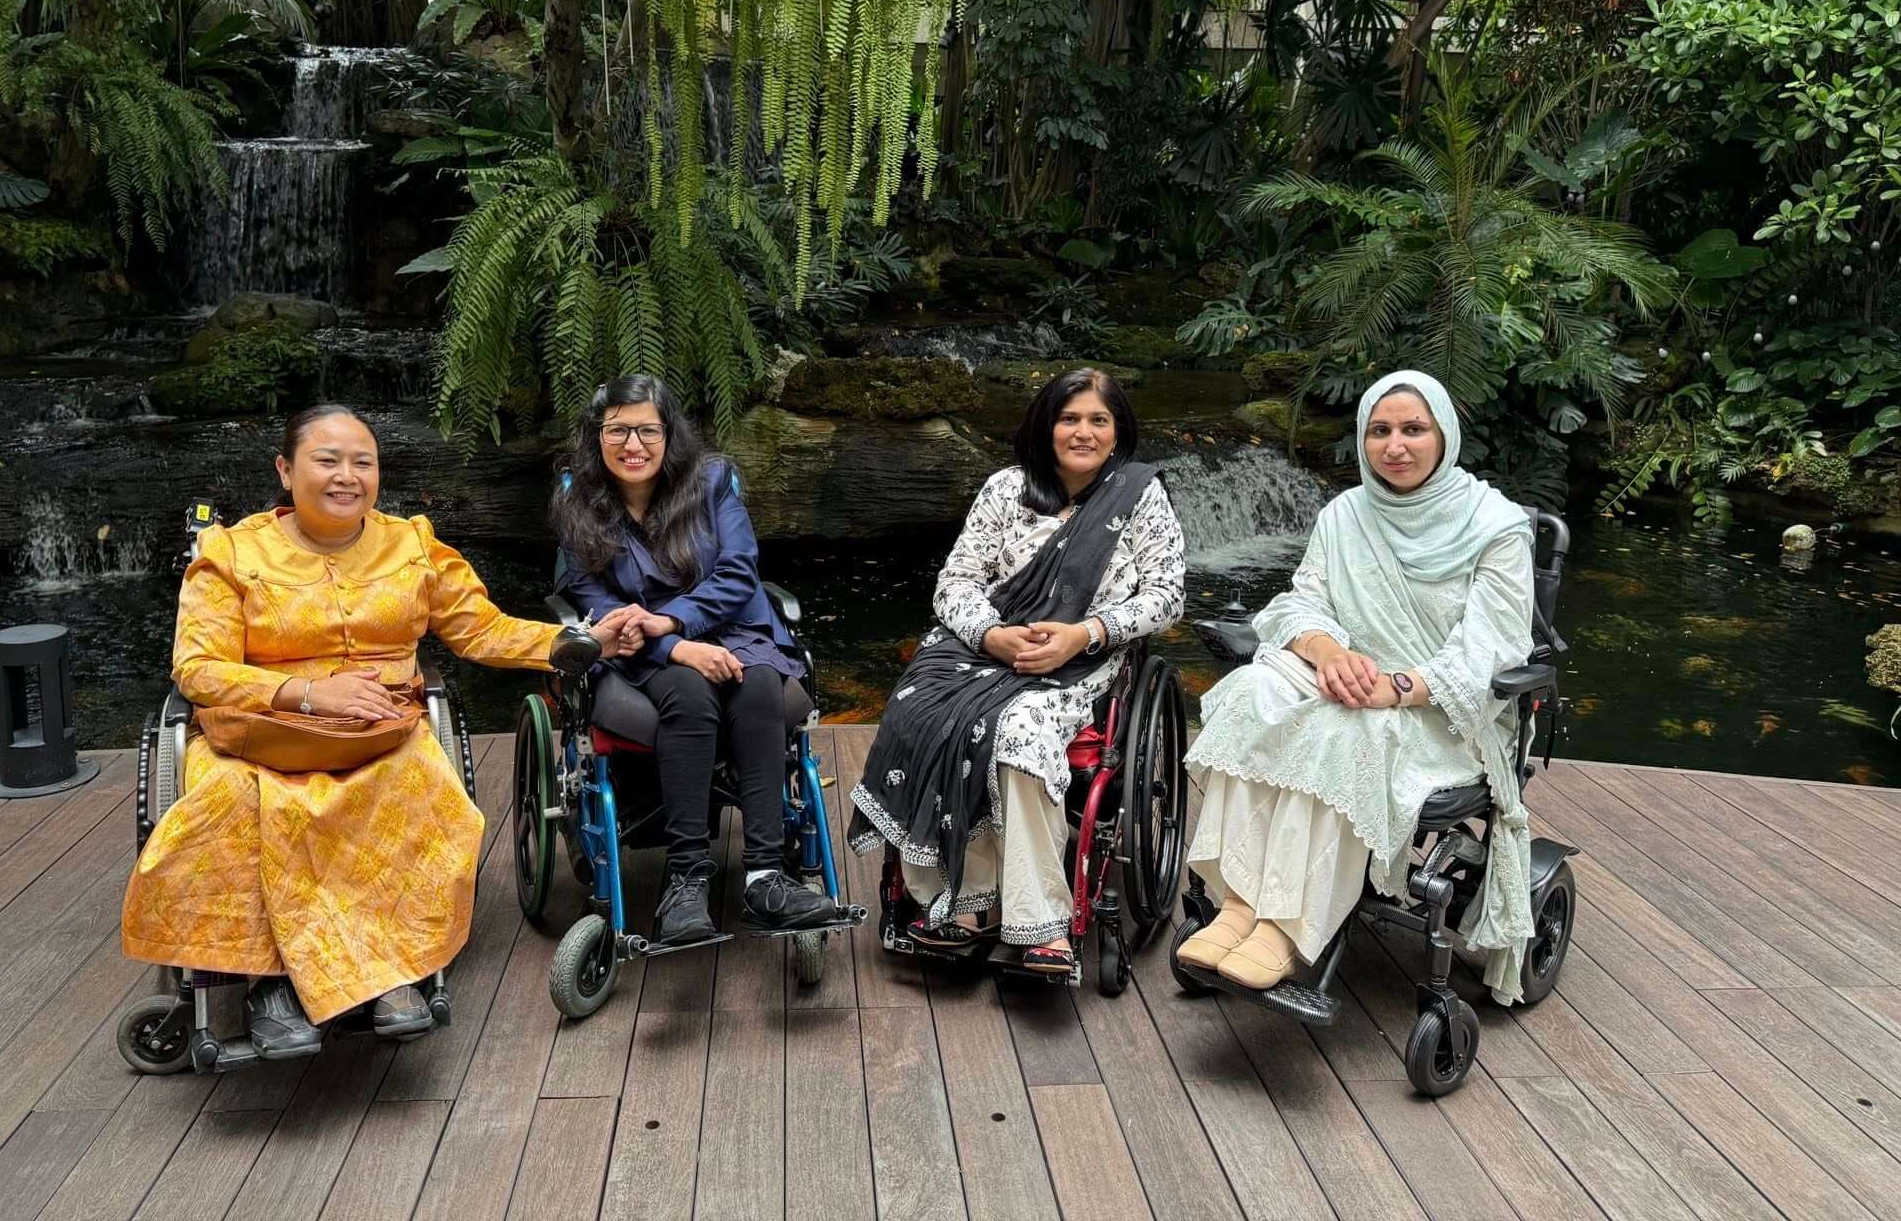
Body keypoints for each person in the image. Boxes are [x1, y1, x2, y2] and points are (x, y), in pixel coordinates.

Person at [122, 404, 579, 1055]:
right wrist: (306, 692)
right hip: (258, 734)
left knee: (415, 783)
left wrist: (569, 641)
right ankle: (272, 984)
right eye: (327, 460)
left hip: (380, 731)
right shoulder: (232, 553)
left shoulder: (412, 544)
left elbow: (480, 628)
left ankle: (385, 969)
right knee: (235, 801)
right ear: (286, 470)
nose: (347, 476)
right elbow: (196, 669)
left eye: (362, 462)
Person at [1177, 370, 1537, 1001]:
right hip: (1344, 679)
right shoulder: (1346, 514)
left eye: (1413, 429)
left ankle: (1285, 927)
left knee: (1340, 730)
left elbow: (1490, 652)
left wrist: (1394, 687)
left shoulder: (1496, 527)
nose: (1395, 445)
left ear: (1444, 436)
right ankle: (1236, 903)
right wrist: (1328, 651)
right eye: (1380, 431)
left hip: (1438, 712)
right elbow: (1302, 602)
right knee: (1252, 693)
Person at [846, 368, 1185, 976]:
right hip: (983, 646)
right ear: (1045, 425)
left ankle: (1040, 917)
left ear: (1117, 431)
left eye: (1098, 420)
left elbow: (1167, 595)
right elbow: (955, 583)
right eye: (1069, 418)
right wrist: (992, 636)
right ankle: (966, 899)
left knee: (1018, 728)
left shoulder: (1138, 497)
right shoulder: (1007, 489)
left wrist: (1086, 632)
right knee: (919, 710)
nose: (1083, 431)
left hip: (1082, 657)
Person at [551, 374, 839, 946]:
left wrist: (675, 619)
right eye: (618, 431)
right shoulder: (576, 497)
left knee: (758, 683)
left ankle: (764, 875)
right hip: (635, 647)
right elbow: (586, 594)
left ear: (669, 434)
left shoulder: (712, 481)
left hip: (730, 625)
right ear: (597, 435)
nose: (633, 444)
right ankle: (685, 876)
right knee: (686, 692)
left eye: (647, 430)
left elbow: (738, 572)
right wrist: (673, 645)